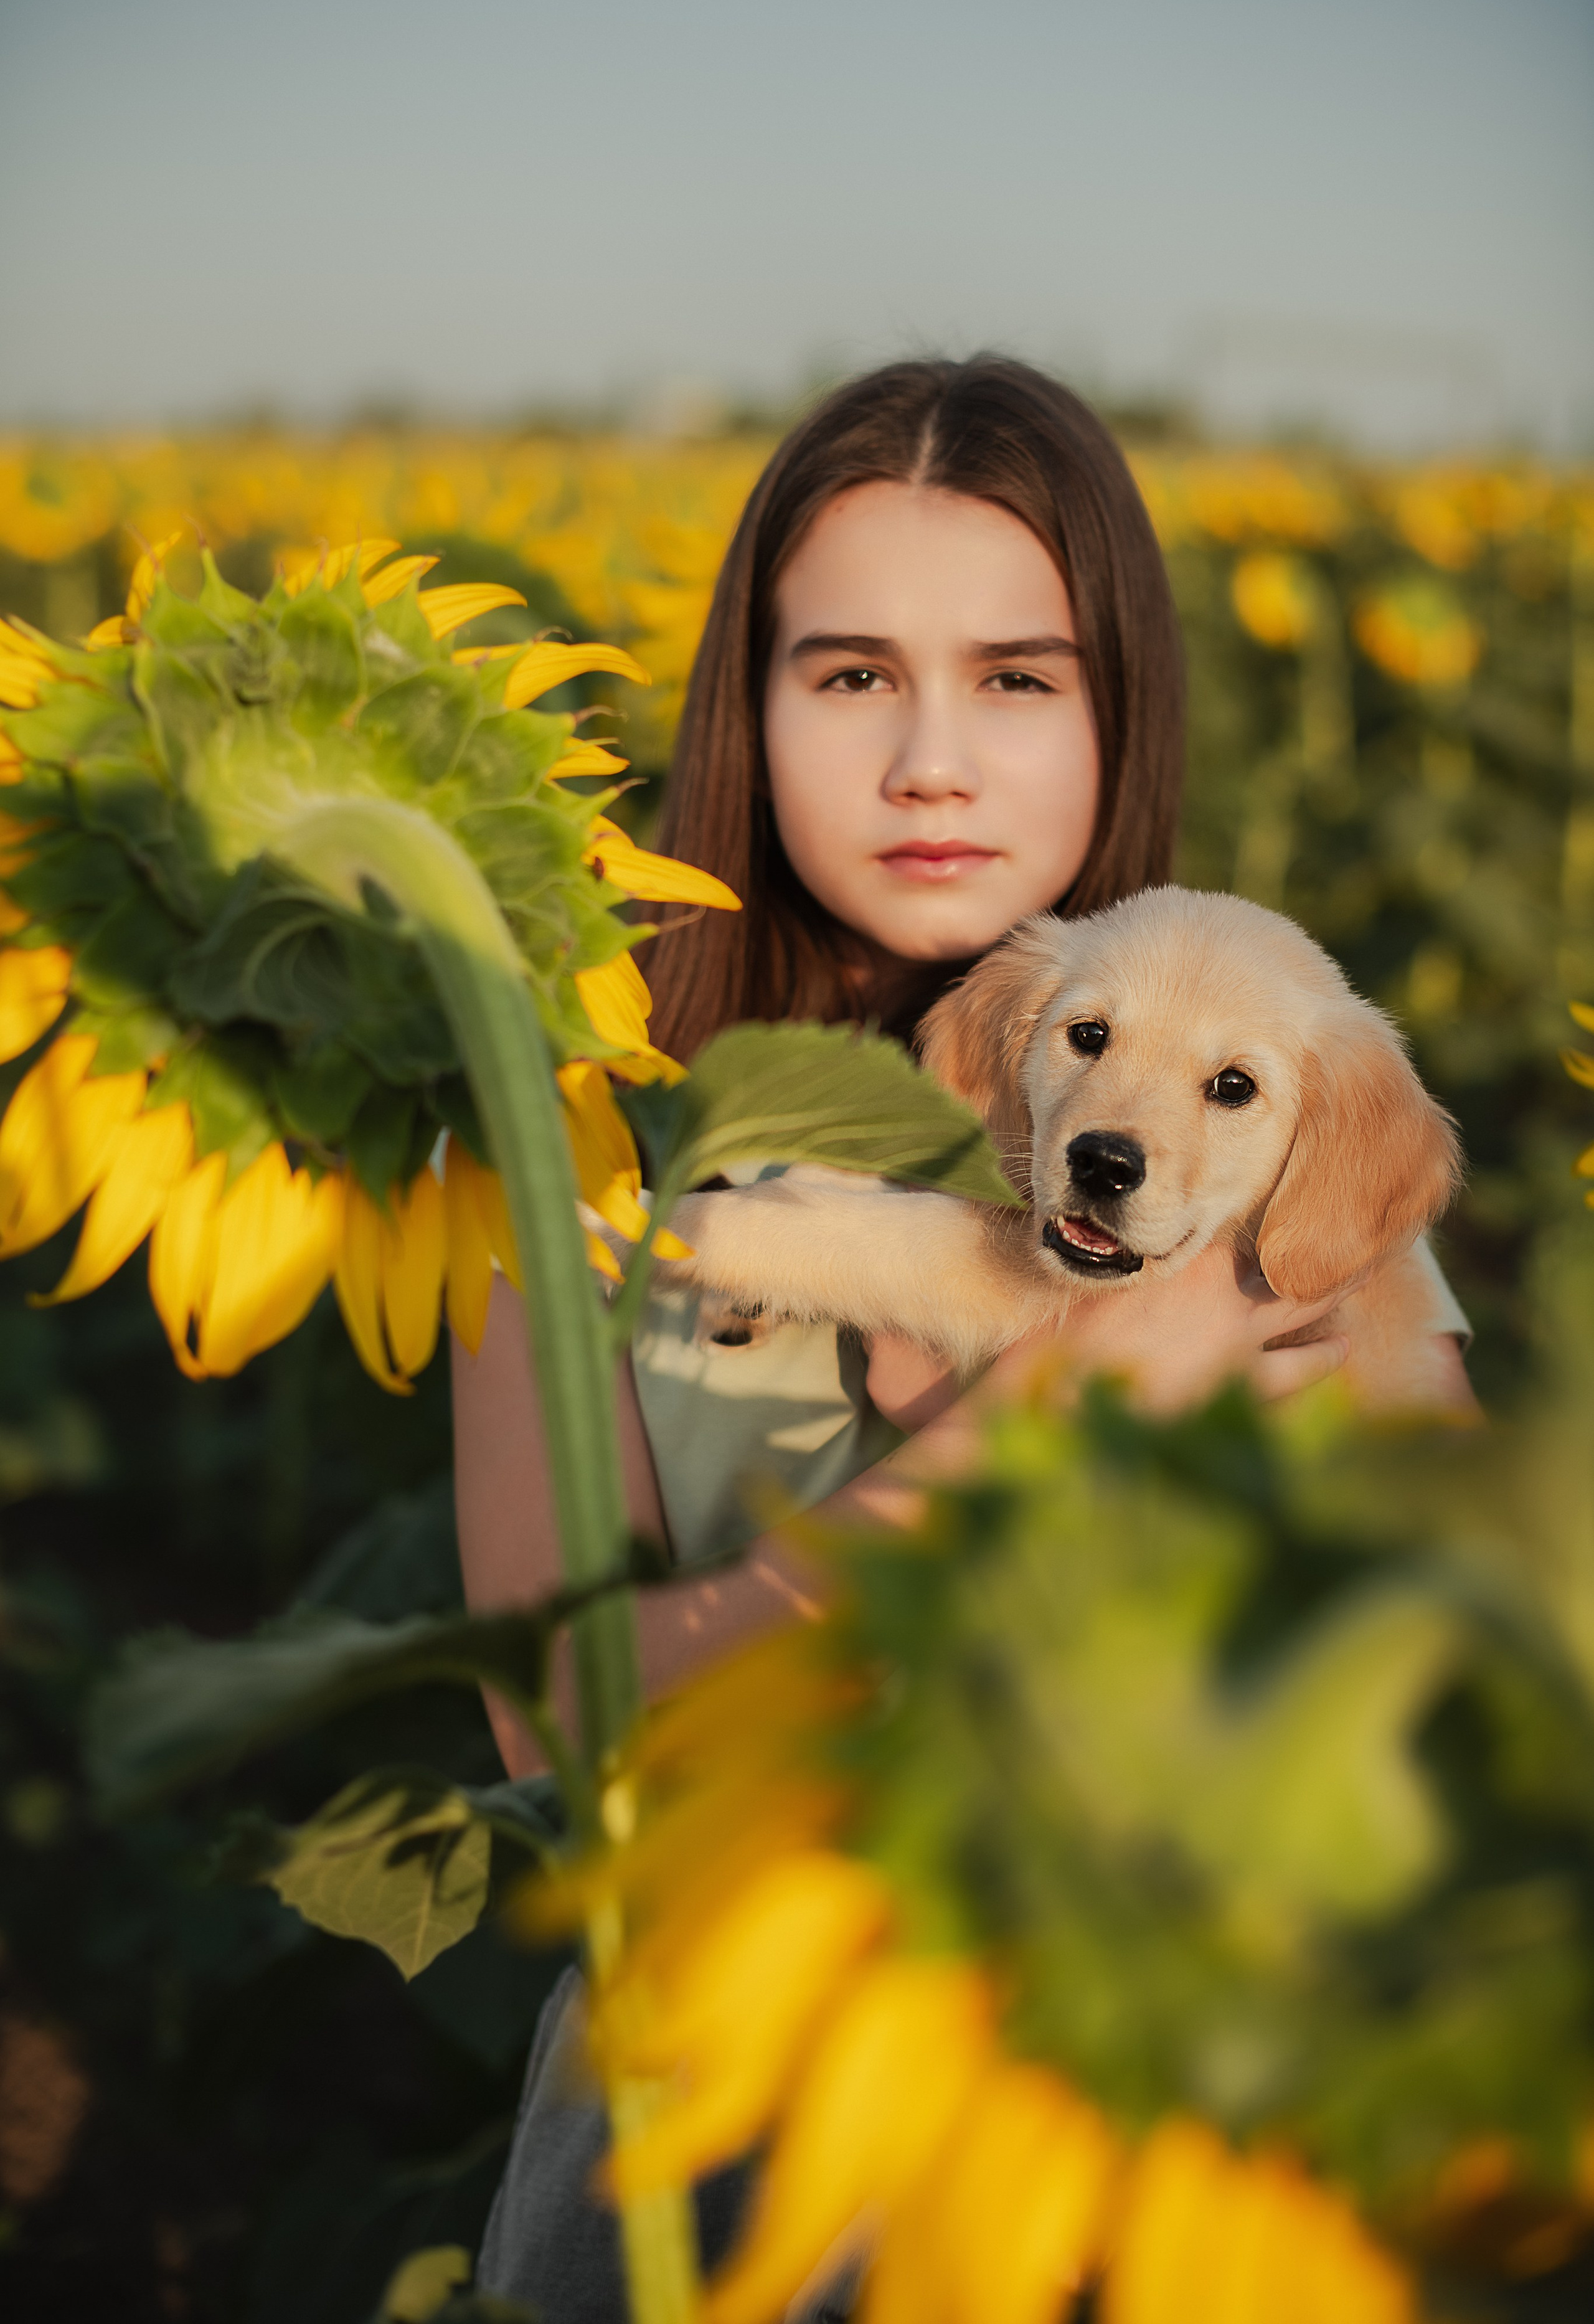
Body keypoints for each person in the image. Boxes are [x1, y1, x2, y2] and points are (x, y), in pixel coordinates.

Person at [458, 357, 1474, 2318]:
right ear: (747, 709)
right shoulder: (570, 1140)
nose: (932, 760)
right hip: (724, 2111)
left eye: (1019, 677)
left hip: (1173, 2113)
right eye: (850, 675)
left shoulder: (1264, 1112)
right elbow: (557, 1739)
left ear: (1121, 712)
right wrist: (1041, 1423)